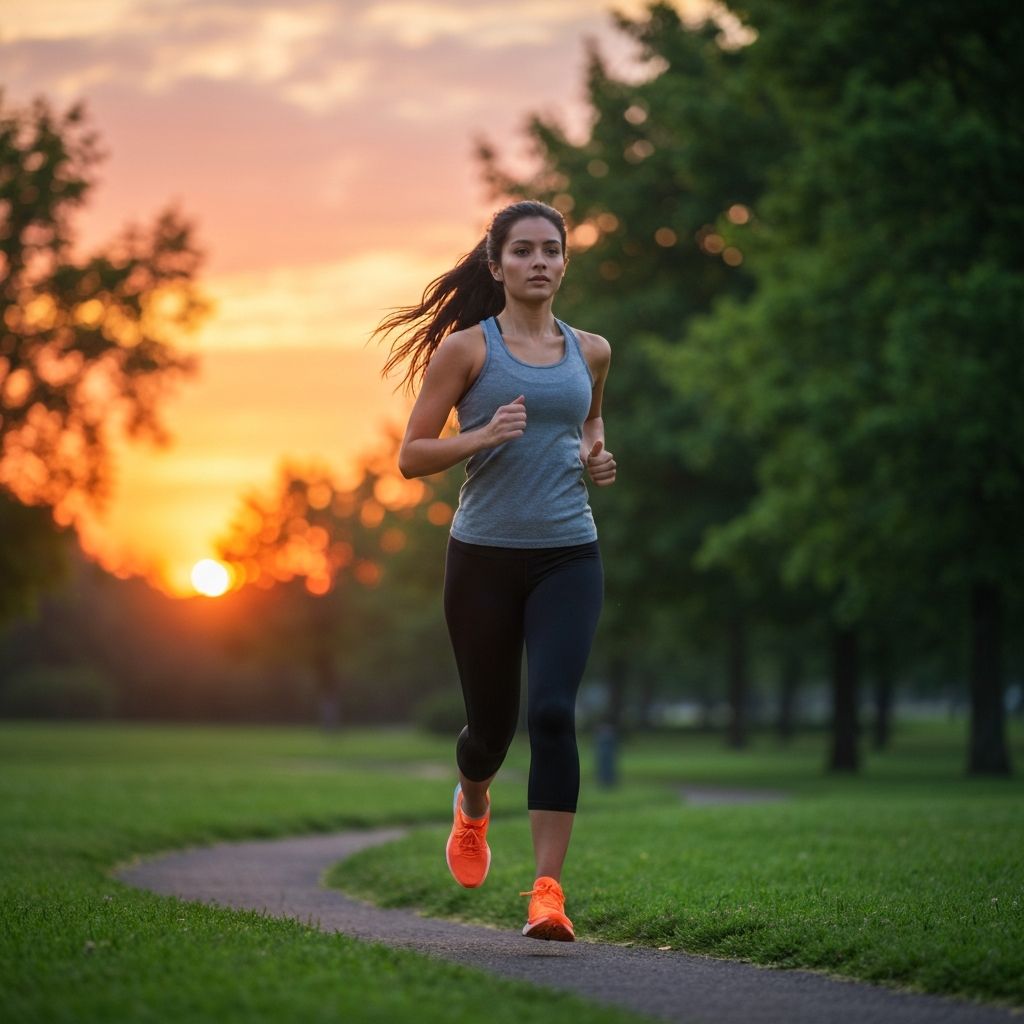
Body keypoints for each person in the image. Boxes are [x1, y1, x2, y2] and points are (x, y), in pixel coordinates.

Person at [374, 199, 616, 942]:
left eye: (550, 250)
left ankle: (547, 894)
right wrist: (481, 436)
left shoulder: (593, 350)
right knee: (491, 729)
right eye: (522, 252)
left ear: (565, 262)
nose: (538, 262)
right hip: (482, 558)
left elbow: (591, 418)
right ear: (497, 265)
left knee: (551, 713)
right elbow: (412, 455)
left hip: (569, 553)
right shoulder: (467, 351)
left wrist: (595, 452)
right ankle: (472, 805)